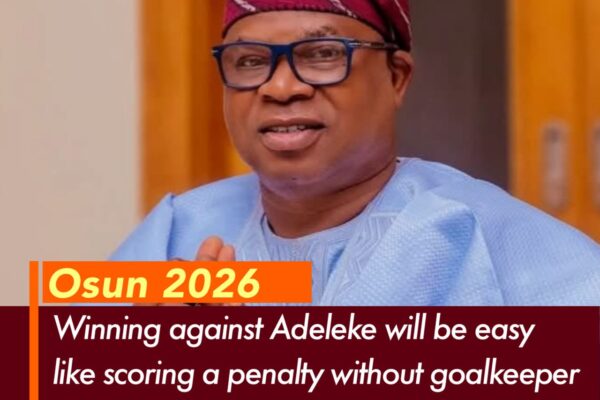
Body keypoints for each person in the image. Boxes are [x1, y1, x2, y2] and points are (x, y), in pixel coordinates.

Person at [111, 0, 600, 305]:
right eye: (250, 61)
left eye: (323, 55)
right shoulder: (175, 235)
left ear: (396, 78)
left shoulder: (479, 236)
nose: (280, 87)